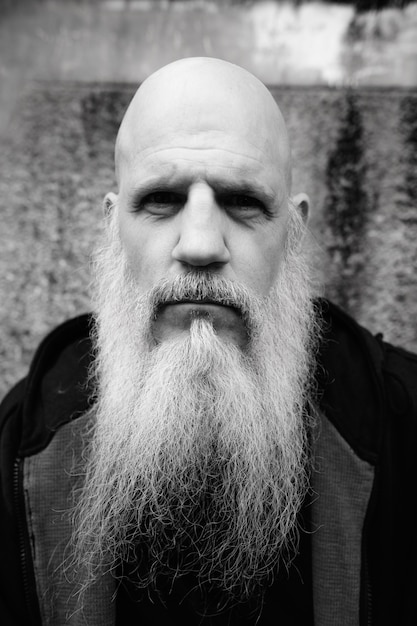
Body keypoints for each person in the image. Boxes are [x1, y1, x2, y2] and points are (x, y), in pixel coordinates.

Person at [0, 57, 416, 626]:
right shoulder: (21, 452)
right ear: (113, 224)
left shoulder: (403, 430)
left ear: (292, 234)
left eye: (243, 202)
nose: (199, 245)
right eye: (161, 200)